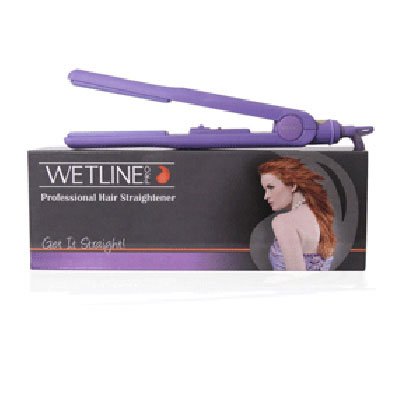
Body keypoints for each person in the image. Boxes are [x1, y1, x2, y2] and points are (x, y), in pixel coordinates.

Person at [258, 157, 335, 271]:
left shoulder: (283, 222)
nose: (266, 196)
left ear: (293, 186)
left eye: (271, 187)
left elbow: (296, 276)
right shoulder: (317, 215)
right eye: (265, 189)